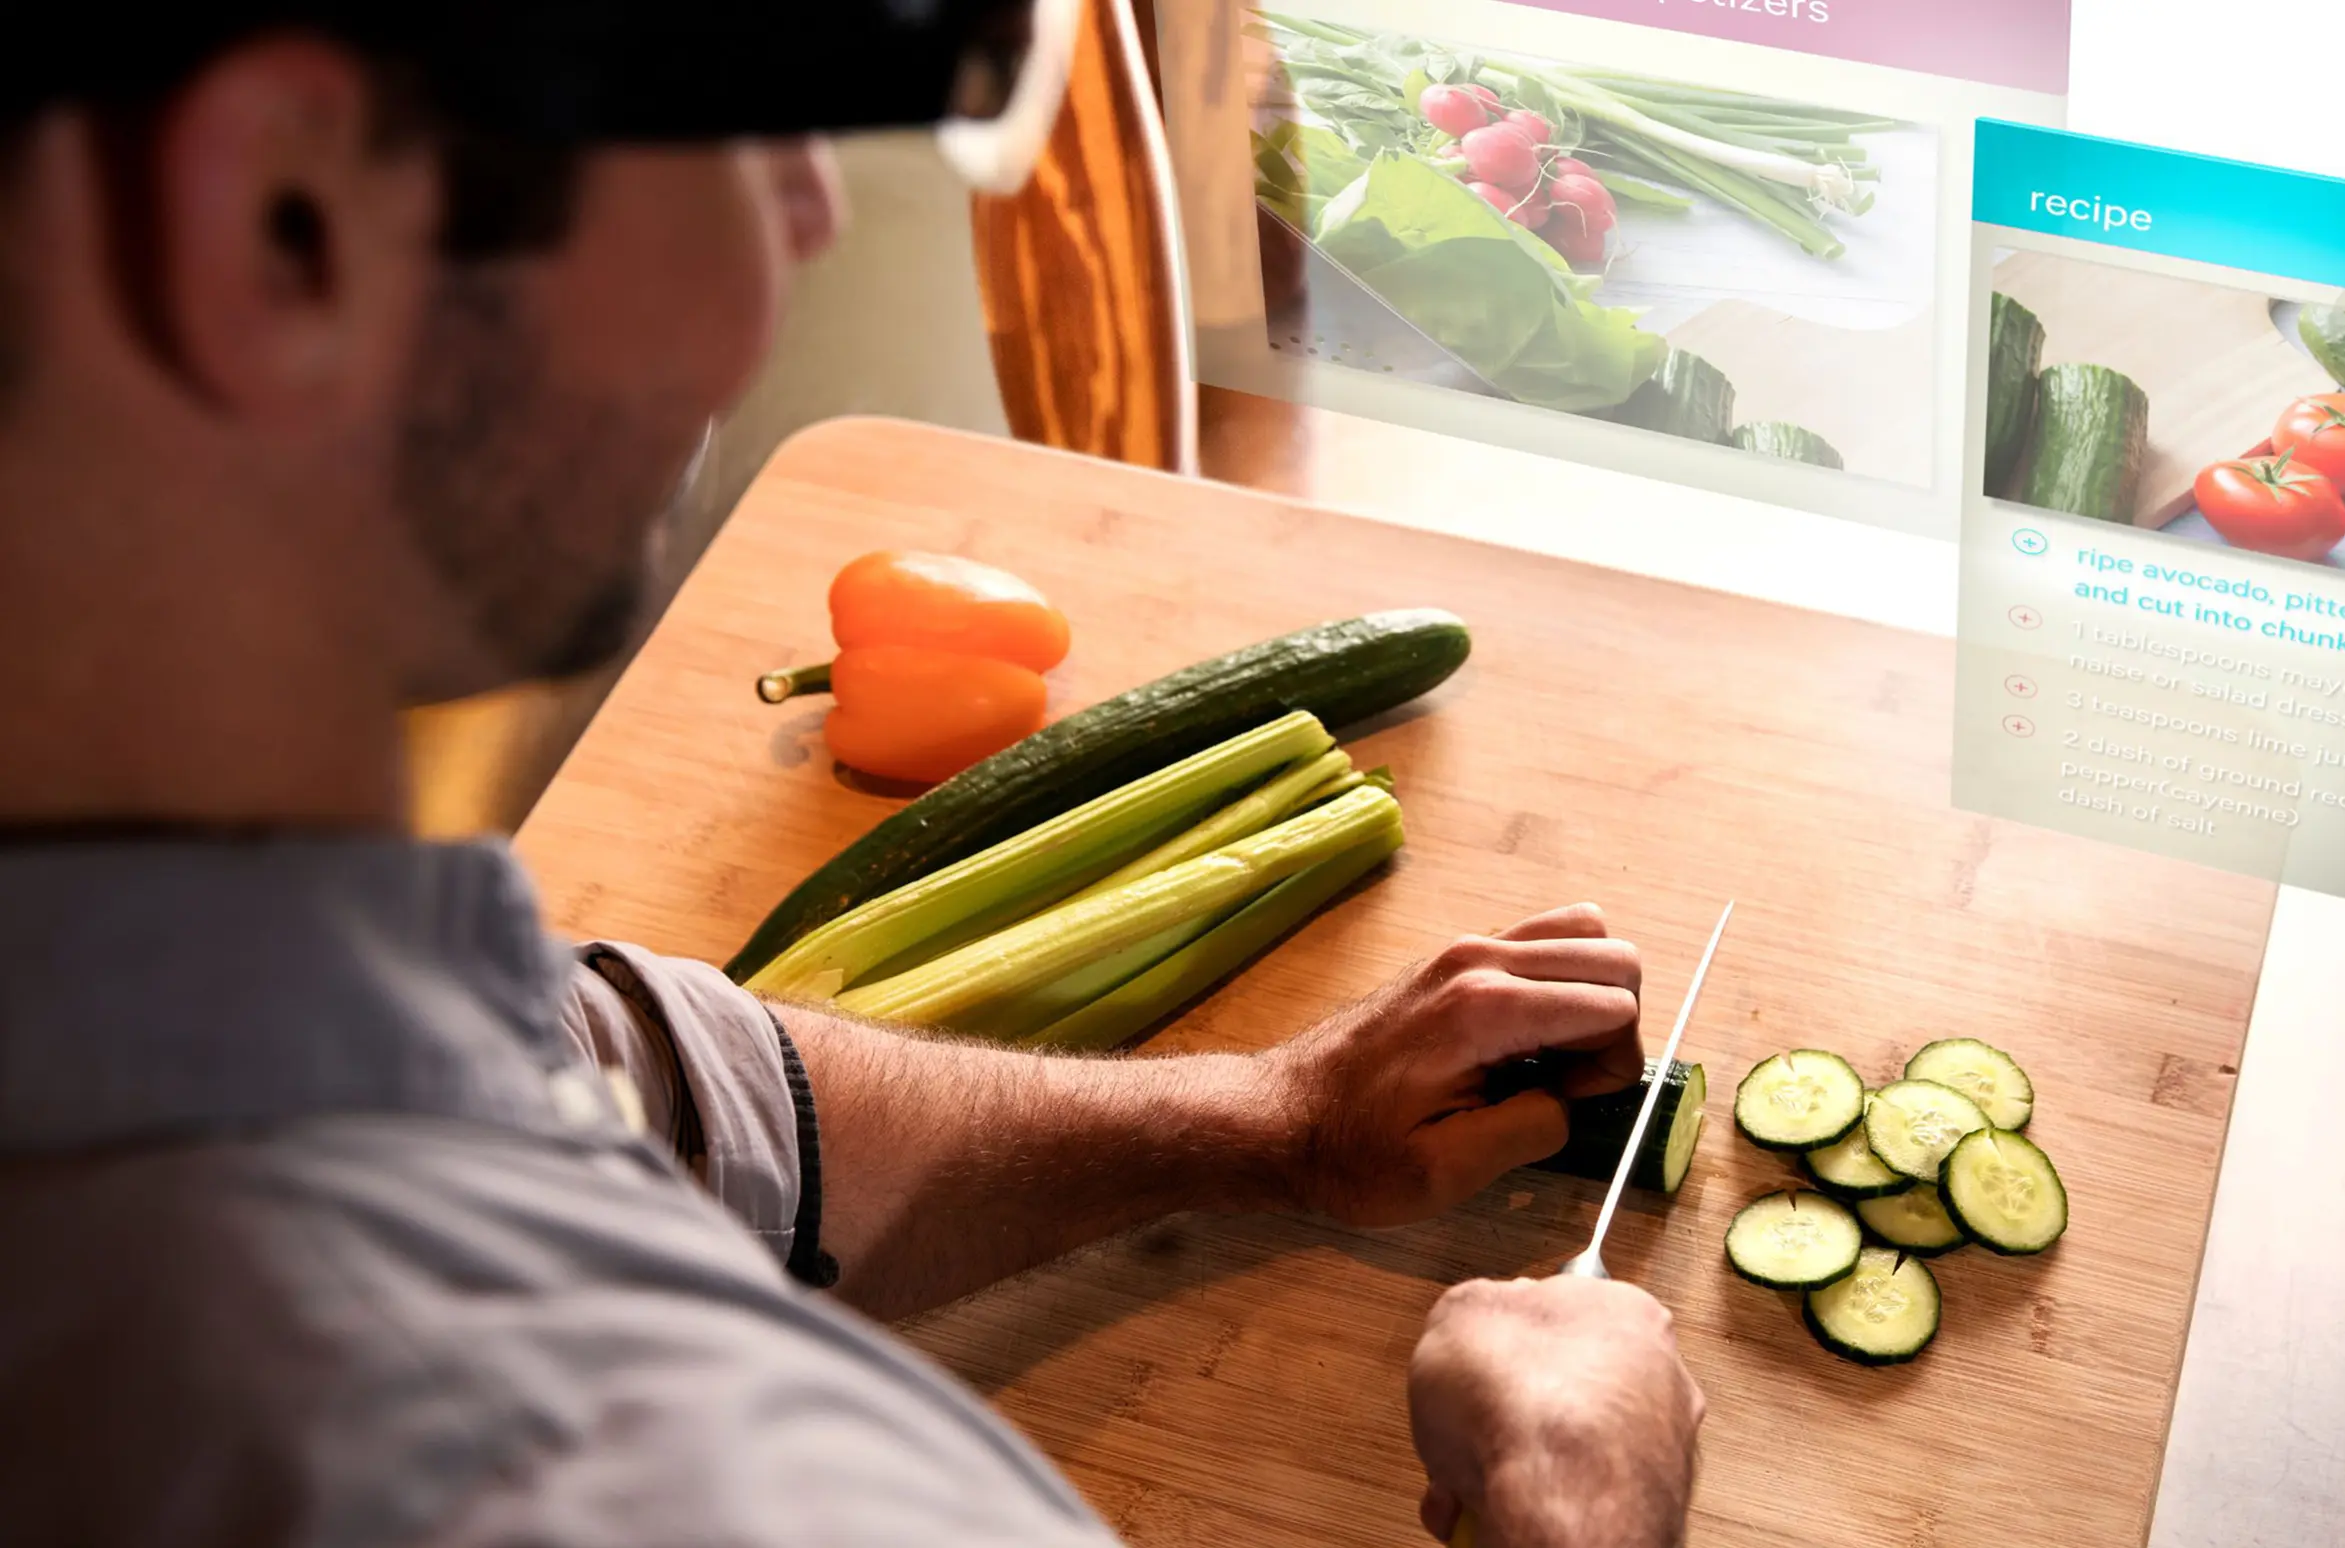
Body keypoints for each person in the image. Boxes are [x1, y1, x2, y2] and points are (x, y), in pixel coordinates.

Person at [0, 5, 1708, 1546]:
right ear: (282, 229)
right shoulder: (666, 1488)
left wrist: (1268, 1120)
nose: (812, 214)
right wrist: (1584, 1507)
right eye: (766, 112)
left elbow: (638, 1077)